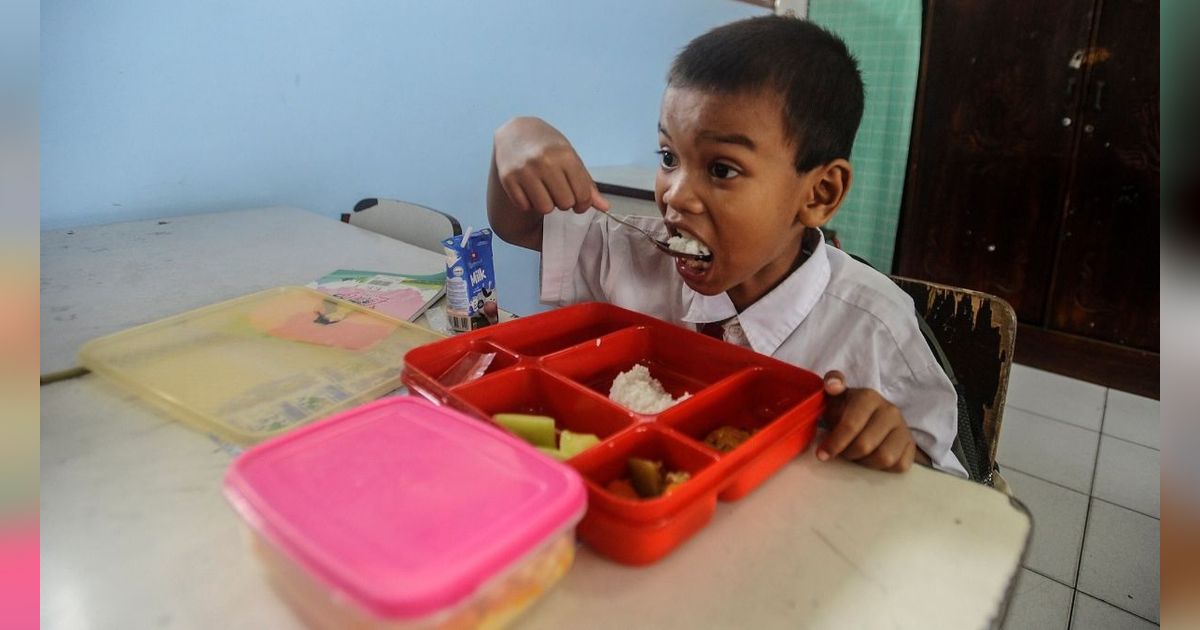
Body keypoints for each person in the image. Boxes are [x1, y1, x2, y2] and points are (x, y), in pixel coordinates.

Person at [486, 15, 966, 477]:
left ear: (819, 194)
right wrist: (514, 136)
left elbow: (943, 482)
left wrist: (889, 441)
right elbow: (520, 227)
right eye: (669, 157)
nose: (675, 194)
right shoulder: (637, 254)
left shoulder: (875, 328)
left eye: (722, 169)